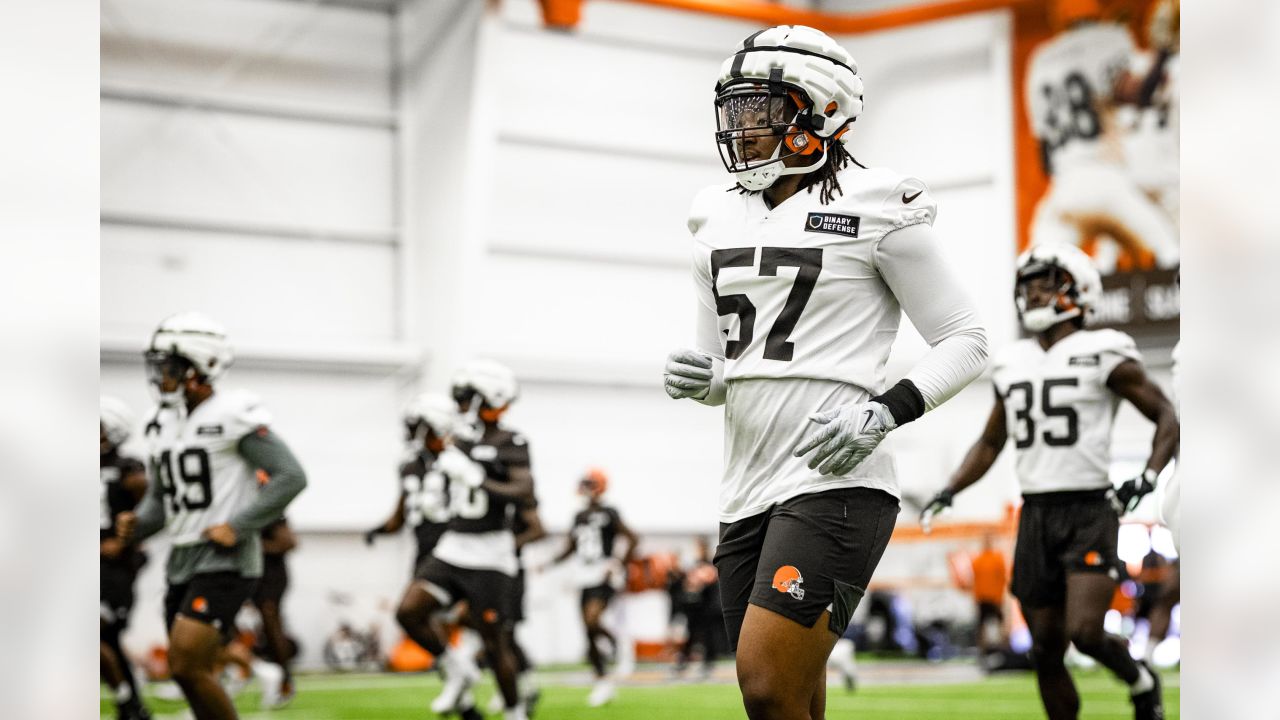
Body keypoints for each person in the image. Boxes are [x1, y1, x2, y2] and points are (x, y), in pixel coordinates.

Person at [663, 25, 988, 720]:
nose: (743, 129)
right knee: (790, 699)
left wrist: (885, 410)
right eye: (736, 112)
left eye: (763, 111)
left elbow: (967, 338)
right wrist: (704, 380)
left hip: (838, 477)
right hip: (745, 483)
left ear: (822, 111)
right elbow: (731, 370)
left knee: (766, 683)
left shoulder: (879, 202)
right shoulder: (712, 215)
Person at [921, 243, 1178, 719]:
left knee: (1085, 631)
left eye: (1047, 281)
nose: (1034, 292)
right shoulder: (1011, 359)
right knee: (1043, 647)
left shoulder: (1105, 349)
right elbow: (991, 441)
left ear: (1078, 288)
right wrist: (950, 488)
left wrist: (1148, 474)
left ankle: (1141, 679)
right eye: (1029, 283)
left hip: (1089, 509)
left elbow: (1166, 416)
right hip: (1036, 511)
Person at [116, 312, 307, 720]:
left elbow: (290, 476)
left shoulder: (232, 414)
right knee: (189, 673)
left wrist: (238, 525)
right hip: (182, 558)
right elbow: (161, 498)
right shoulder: (162, 424)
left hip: (226, 560)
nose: (160, 376)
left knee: (186, 664)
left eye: (169, 366)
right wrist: (138, 524)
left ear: (198, 367)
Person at [394, 361, 535, 720]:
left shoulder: (510, 441)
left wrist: (478, 479)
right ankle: (456, 668)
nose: (459, 402)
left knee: (494, 641)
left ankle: (515, 711)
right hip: (453, 544)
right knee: (409, 611)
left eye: (467, 396)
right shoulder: (456, 438)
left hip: (490, 551)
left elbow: (523, 489)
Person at [1025, 0, 1178, 272]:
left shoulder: (1040, 59)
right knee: (1170, 253)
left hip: (1063, 190)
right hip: (1108, 180)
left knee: (1039, 268)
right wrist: (1164, 51)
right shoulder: (1107, 40)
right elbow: (1138, 94)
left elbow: (1044, 157)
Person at [547, 469, 638, 706]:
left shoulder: (609, 513)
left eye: (589, 484)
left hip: (602, 573)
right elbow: (570, 546)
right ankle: (602, 682)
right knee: (588, 631)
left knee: (592, 620)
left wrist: (617, 563)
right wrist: (549, 562)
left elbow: (632, 538)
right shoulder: (579, 515)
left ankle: (620, 645)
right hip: (583, 574)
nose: (585, 488)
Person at [101, 397, 153, 720]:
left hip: (116, 568)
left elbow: (149, 513)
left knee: (100, 633)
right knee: (108, 640)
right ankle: (130, 704)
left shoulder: (129, 469)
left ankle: (128, 701)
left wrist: (123, 543)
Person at [252, 518, 297, 708]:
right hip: (252, 576)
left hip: (271, 578)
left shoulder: (271, 512)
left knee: (272, 629)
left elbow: (289, 542)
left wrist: (250, 545)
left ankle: (284, 681)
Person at [971, 534, 1009, 660]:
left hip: (994, 598)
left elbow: (1002, 578)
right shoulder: (979, 560)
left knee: (1000, 624)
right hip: (983, 598)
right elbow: (975, 580)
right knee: (982, 626)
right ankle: (982, 651)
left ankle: (1005, 650)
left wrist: (999, 597)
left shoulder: (997, 559)